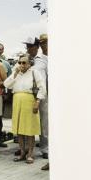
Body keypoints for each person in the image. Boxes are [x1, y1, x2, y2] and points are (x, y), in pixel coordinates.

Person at [4, 54, 47, 164]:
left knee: (29, 129)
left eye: (24, 62)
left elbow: (42, 88)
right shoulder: (16, 73)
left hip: (29, 101)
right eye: (20, 62)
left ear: (29, 63)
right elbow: (6, 84)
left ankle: (30, 154)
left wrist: (37, 101)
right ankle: (22, 152)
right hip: (17, 101)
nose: (21, 65)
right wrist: (15, 73)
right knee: (20, 129)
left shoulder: (34, 72)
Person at [37, 34, 49, 170]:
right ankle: (45, 149)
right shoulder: (40, 59)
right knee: (45, 122)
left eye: (45, 41)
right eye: (41, 42)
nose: (43, 44)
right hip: (45, 94)